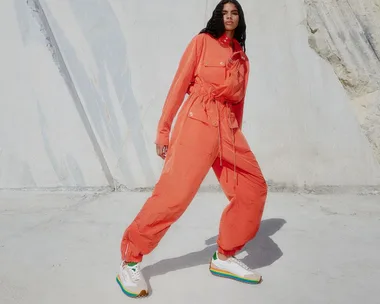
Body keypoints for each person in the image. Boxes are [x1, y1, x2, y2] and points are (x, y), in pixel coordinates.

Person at [116, 0, 268, 298]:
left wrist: (236, 138)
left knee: (253, 188)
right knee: (175, 195)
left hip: (228, 128)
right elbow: (179, 84)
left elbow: (239, 103)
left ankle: (223, 257)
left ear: (240, 19)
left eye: (234, 12)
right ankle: (130, 259)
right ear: (217, 16)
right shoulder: (201, 43)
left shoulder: (242, 58)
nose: (229, 17)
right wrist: (163, 130)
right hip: (197, 120)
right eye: (224, 12)